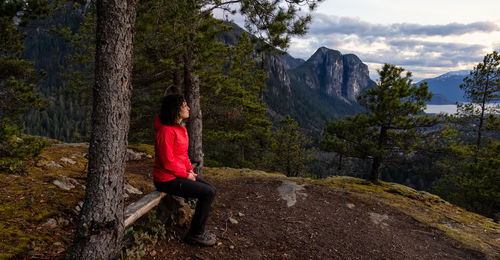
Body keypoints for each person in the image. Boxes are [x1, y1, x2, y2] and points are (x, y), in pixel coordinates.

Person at [153, 94, 217, 246]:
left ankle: (197, 229)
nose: (188, 108)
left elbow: (183, 155)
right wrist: (185, 175)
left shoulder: (180, 128)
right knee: (207, 193)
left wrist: (189, 170)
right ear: (176, 110)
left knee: (211, 189)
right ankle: (195, 233)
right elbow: (167, 162)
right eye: (184, 106)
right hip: (166, 180)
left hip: (177, 175)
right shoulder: (165, 131)